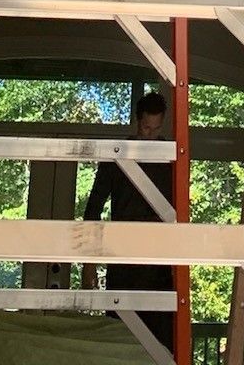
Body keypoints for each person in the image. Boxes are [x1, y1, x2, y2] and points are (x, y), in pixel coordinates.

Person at [80, 90, 174, 347]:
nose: (150, 135)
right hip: (122, 257)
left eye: (155, 129)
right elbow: (93, 209)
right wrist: (89, 264)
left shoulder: (170, 160)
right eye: (146, 128)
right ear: (137, 122)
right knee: (120, 333)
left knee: (160, 338)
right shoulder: (115, 158)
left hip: (159, 262)